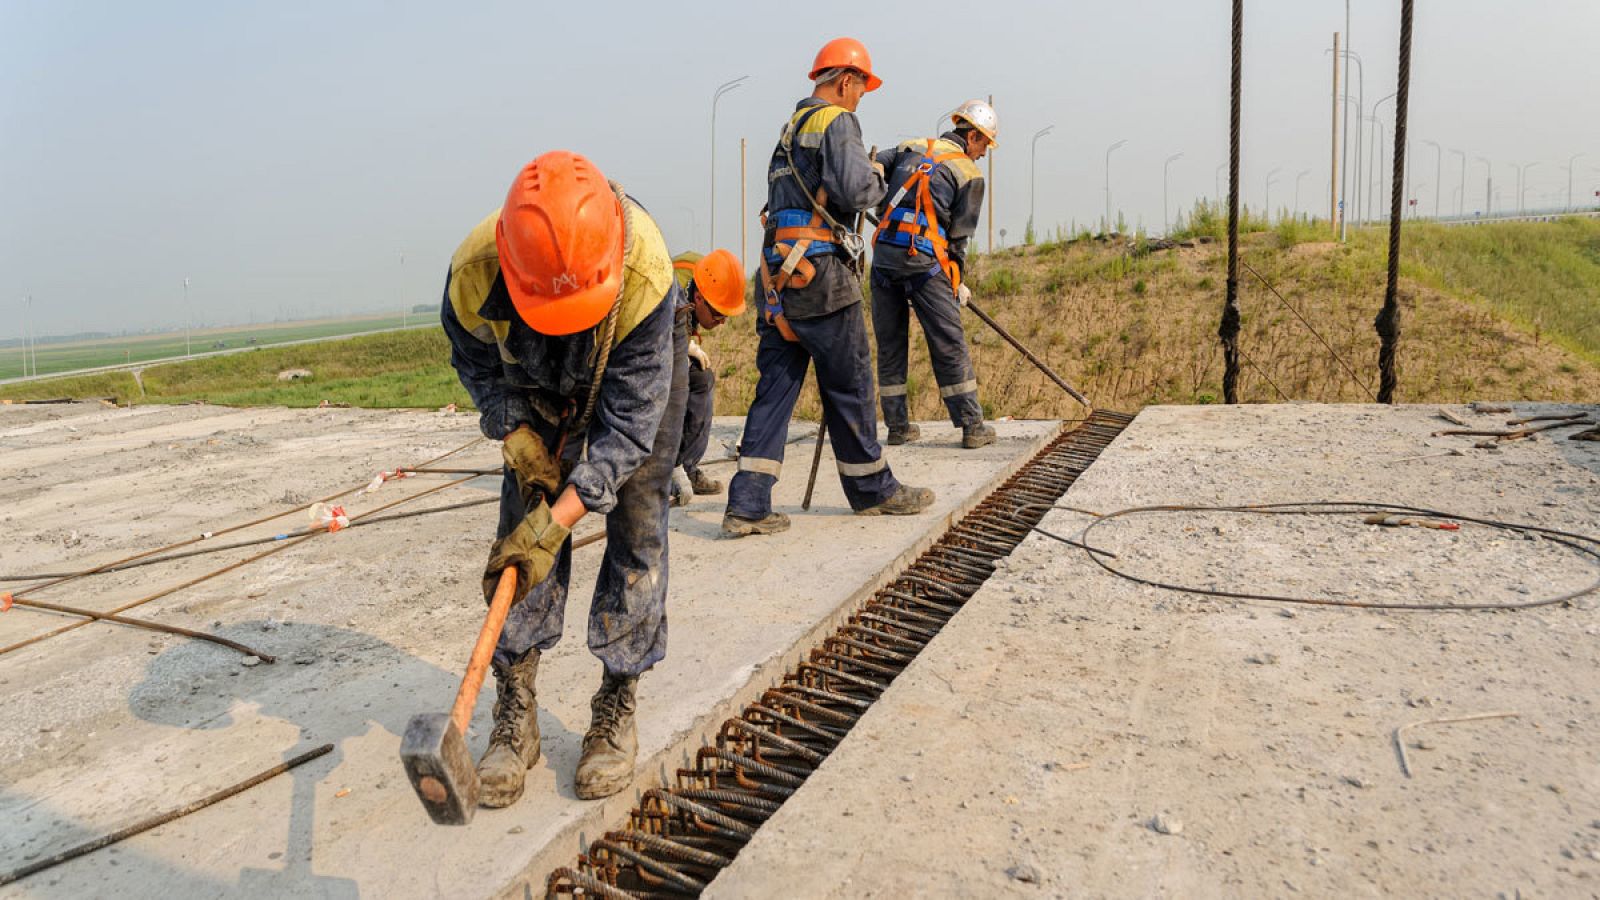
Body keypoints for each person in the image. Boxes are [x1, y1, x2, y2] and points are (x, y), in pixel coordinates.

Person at [440, 150, 687, 806]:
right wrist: (515, 433)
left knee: (636, 530)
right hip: (535, 383)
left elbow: (629, 432)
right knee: (520, 545)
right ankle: (515, 713)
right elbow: (476, 363)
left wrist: (561, 519)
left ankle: (617, 701)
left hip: (630, 369)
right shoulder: (473, 274)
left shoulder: (643, 276)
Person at [723, 37, 935, 537]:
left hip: (778, 281)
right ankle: (873, 490)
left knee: (774, 389)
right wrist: (879, 171)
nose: (861, 99)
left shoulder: (789, 127)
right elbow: (856, 190)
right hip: (821, 279)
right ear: (845, 82)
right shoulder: (837, 121)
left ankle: (747, 504)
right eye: (861, 90)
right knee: (850, 384)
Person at [870, 99, 998, 449]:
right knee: (948, 343)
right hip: (923, 263)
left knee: (891, 345)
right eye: (984, 144)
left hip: (883, 259)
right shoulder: (969, 174)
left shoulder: (911, 146)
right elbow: (958, 239)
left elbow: (876, 163)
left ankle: (898, 427)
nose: (984, 153)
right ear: (971, 135)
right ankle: (972, 427)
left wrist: (880, 178)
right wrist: (957, 281)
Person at [668, 249, 746, 505]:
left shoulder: (703, 274)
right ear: (699, 299)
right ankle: (669, 466)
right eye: (718, 315)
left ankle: (688, 467)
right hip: (648, 352)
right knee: (676, 385)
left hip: (674, 339)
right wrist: (684, 345)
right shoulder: (673, 292)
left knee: (702, 379)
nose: (722, 322)